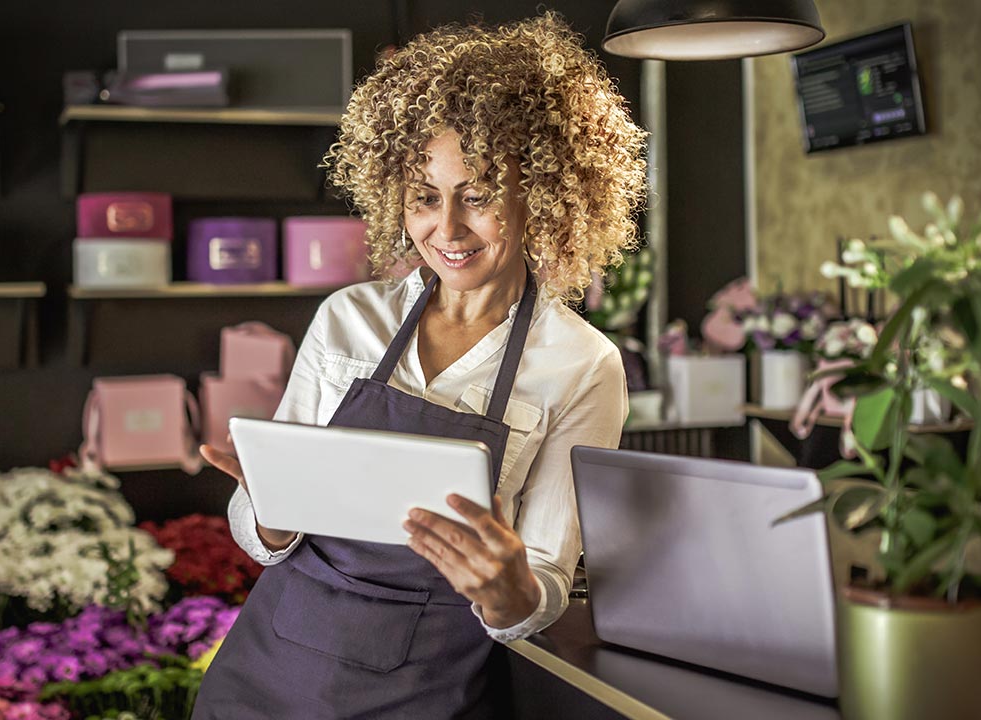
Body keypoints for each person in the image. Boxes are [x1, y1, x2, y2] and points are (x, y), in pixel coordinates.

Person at [192, 12, 648, 719]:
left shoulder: (583, 365)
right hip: (268, 675)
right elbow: (264, 540)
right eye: (425, 198)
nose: (449, 230)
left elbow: (547, 577)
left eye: (481, 195)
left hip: (425, 690)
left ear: (544, 193)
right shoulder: (349, 320)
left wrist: (510, 590)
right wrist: (270, 511)